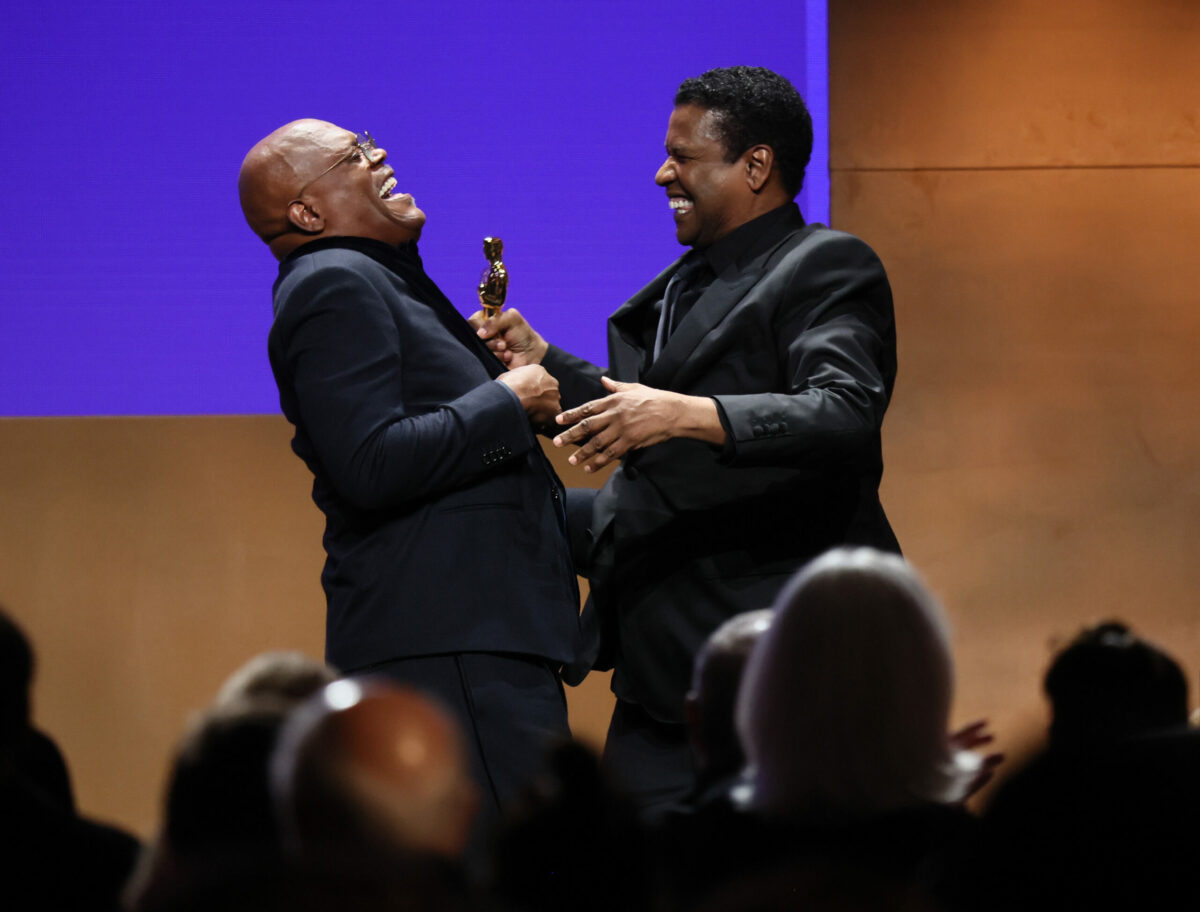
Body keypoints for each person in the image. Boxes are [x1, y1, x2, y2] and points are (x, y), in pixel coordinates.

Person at [472, 66, 900, 807]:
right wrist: (546, 364)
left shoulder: (827, 264)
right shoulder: (683, 283)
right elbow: (643, 409)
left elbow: (844, 409)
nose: (662, 173)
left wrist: (686, 415)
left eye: (683, 156)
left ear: (756, 166)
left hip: (775, 671)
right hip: (661, 672)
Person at [237, 120, 587, 816]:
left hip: (473, 641)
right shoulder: (331, 282)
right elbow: (370, 463)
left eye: (369, 143)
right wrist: (507, 401)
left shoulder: (372, 278)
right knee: (511, 861)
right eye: (355, 155)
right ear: (307, 213)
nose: (380, 156)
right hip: (449, 647)